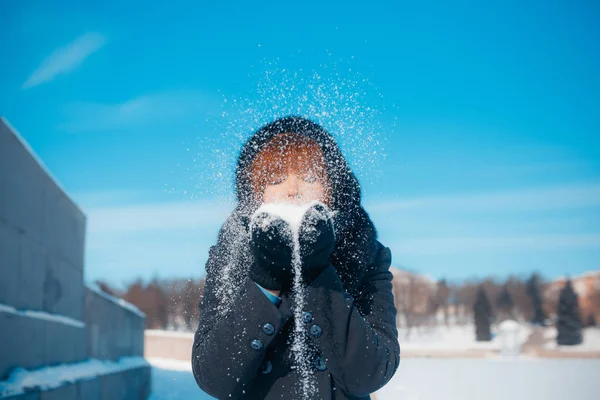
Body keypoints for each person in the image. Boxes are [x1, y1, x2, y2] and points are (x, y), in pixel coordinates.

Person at [192, 116, 399, 399]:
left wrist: (317, 273)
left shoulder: (363, 251)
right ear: (255, 194)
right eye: (275, 179)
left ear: (332, 189)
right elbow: (214, 377)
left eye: (310, 176)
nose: (292, 190)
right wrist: (265, 279)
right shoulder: (232, 254)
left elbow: (371, 372)